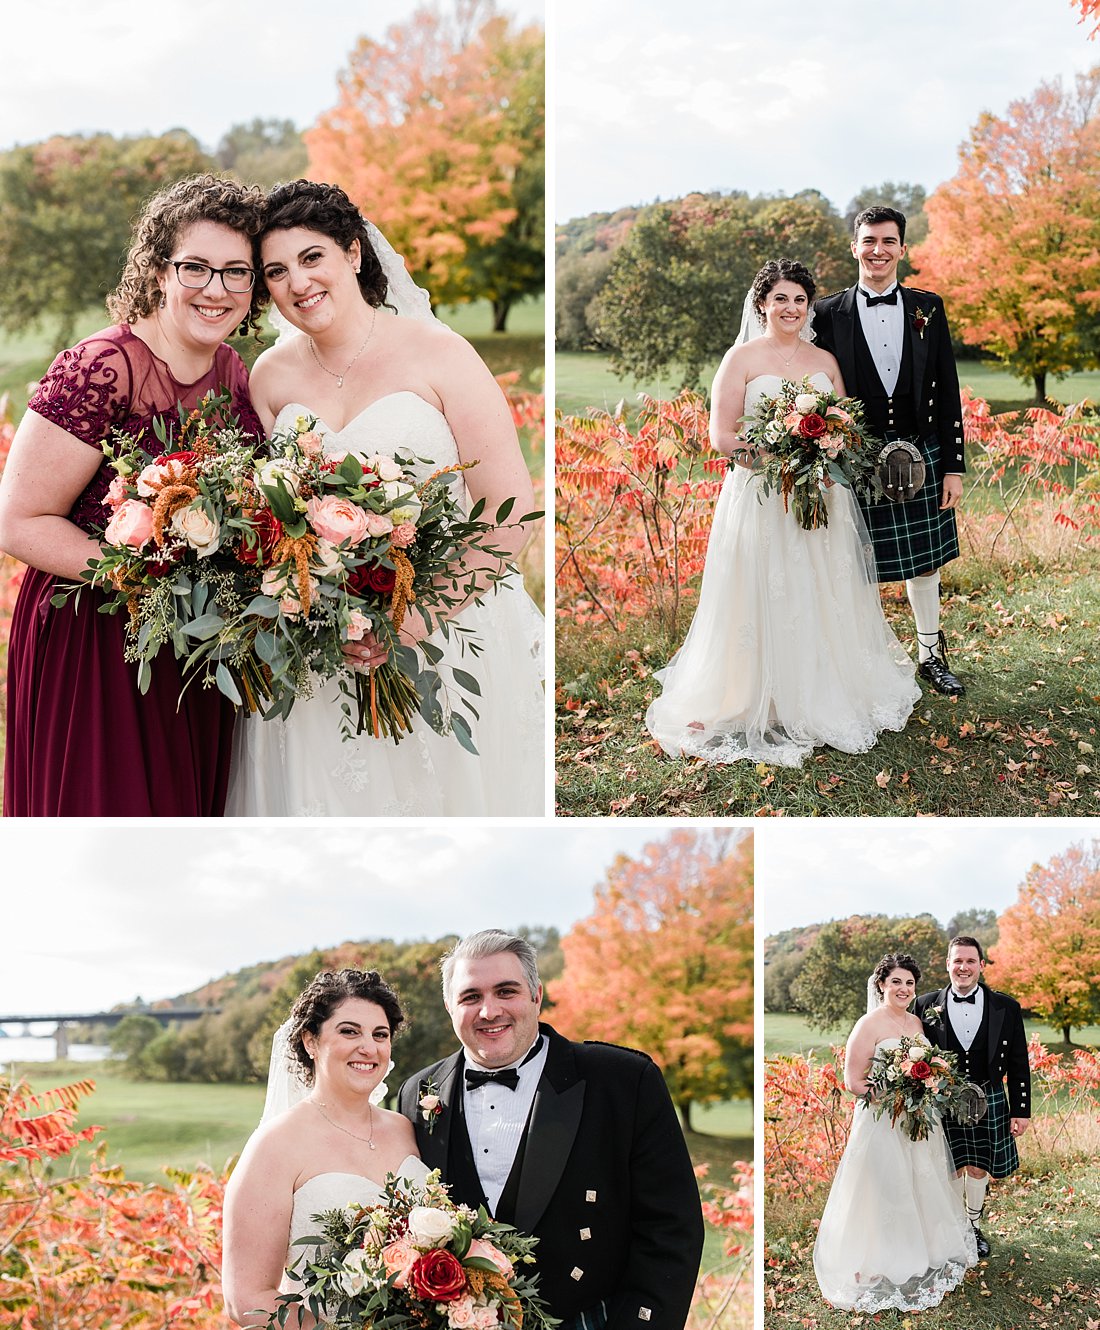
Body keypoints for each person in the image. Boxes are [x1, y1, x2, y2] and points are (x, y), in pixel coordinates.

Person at [225, 180, 544, 817]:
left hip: (447, 624)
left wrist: (415, 618)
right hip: (318, 642)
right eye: (276, 271)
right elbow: (264, 514)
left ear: (353, 253)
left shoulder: (441, 354)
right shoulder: (269, 376)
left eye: (313, 257)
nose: (298, 283)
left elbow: (510, 510)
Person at [0, 174, 264, 816]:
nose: (217, 288)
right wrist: (146, 579)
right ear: (158, 270)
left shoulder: (233, 371)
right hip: (96, 644)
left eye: (238, 271)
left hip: (196, 646)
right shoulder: (101, 366)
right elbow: (17, 520)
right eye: (195, 267)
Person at [645, 258, 919, 768]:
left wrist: (824, 450)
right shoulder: (740, 360)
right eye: (780, 299)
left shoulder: (825, 359)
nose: (791, 308)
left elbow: (847, 425)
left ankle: (820, 690)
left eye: (799, 299)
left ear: (808, 306)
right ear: (762, 304)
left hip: (820, 495)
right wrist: (782, 458)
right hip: (762, 495)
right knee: (762, 586)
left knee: (819, 586)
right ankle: (758, 695)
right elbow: (722, 437)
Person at [396, 929, 704, 1330]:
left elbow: (671, 1227)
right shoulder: (418, 1092)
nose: (489, 1011)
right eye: (471, 997)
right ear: (448, 1005)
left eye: (506, 991)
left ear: (536, 995)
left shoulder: (623, 1081)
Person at [814, 206, 967, 696]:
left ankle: (930, 657)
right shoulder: (825, 313)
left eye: (887, 241)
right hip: (854, 457)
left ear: (902, 249)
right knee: (855, 565)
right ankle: (862, 667)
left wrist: (953, 467)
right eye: (868, 241)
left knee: (924, 563)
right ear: (853, 247)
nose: (877, 250)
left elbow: (948, 389)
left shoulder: (929, 306)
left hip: (922, 452)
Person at [222, 968, 425, 1328]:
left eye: (381, 1034)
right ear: (310, 1042)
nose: (369, 1047)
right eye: (349, 1031)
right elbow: (246, 1299)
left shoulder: (405, 1128)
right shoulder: (275, 1145)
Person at [813, 953, 977, 1312]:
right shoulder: (868, 1025)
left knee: (921, 1183)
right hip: (882, 1122)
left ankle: (925, 1252)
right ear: (881, 985)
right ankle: (883, 1258)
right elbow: (853, 1082)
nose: (904, 989)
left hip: (916, 1122)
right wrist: (893, 1091)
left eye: (909, 983)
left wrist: (924, 1086)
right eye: (896, 982)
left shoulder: (918, 1024)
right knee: (885, 1188)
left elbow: (927, 1067)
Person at [914, 936, 1030, 1259]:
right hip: (943, 1098)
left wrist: (1021, 1110)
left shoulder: (1006, 1007)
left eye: (969, 961)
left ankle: (973, 1227)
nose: (963, 967)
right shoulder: (924, 1005)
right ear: (947, 965)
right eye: (957, 961)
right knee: (948, 1166)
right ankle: (953, 1229)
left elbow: (1019, 1060)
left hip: (989, 1095)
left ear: (981, 965)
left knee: (978, 1167)